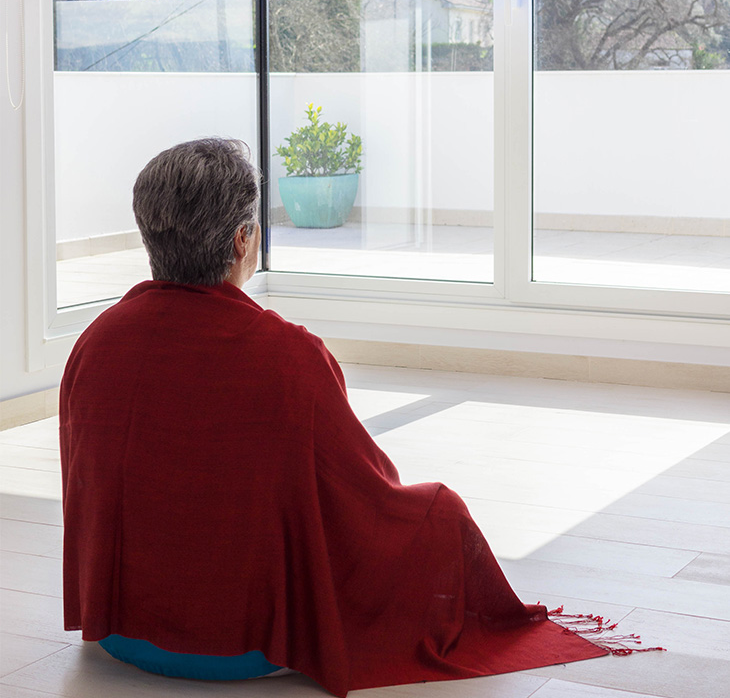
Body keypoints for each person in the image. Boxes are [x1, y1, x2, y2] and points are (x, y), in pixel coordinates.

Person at [60, 138, 606, 697]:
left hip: (120, 632)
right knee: (440, 511)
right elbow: (365, 493)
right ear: (242, 239)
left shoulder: (95, 343)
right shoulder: (288, 354)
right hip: (251, 646)